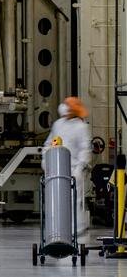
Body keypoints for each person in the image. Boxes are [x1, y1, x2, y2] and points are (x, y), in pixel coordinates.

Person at [45, 96, 92, 235]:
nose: (63, 106)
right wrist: (45, 160)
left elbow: (85, 148)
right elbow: (49, 143)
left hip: (73, 169)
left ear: (74, 109)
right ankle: (56, 228)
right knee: (55, 199)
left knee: (73, 200)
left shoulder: (81, 127)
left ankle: (75, 229)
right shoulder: (58, 124)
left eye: (67, 104)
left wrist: (80, 168)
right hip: (56, 168)